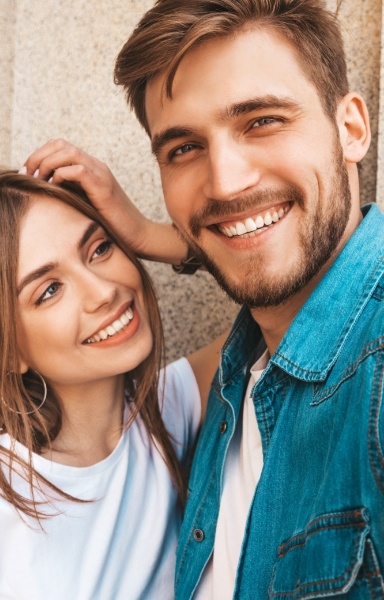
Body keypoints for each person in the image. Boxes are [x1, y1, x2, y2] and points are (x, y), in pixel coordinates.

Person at [22, 0, 384, 597]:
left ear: (351, 129)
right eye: (183, 148)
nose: (225, 182)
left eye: (262, 121)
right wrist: (159, 235)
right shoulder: (232, 380)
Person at [0, 170, 224, 600]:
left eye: (100, 248)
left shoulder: (167, 408)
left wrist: (150, 234)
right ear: (11, 353)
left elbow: (291, 298)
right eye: (48, 291)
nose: (102, 291)